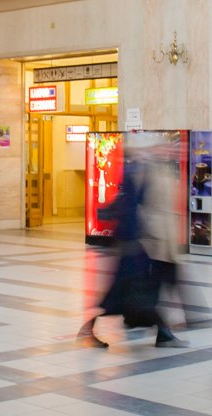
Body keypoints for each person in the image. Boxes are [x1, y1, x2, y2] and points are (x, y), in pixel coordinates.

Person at [78, 147, 187, 349]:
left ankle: (161, 332)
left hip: (132, 243)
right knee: (130, 293)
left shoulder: (135, 173)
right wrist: (134, 239)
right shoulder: (133, 174)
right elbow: (132, 208)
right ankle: (162, 332)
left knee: (124, 294)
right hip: (132, 245)